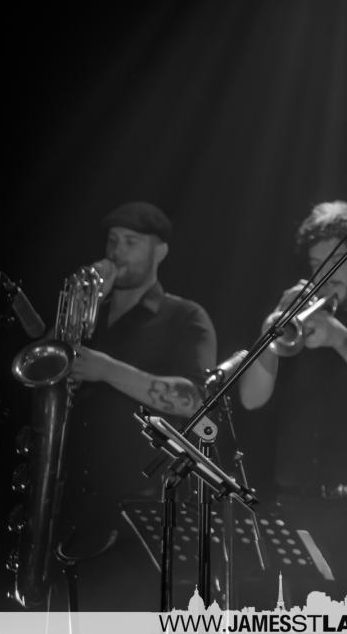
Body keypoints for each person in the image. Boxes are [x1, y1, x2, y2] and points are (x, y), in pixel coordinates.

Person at [57, 201, 218, 610]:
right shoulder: (88, 317)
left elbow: (194, 399)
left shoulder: (184, 316)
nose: (116, 252)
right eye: (112, 241)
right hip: (71, 506)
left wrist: (105, 369)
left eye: (131, 242)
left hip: (139, 516)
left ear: (160, 251)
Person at [239, 200, 347, 599]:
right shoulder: (301, 327)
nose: (324, 275)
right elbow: (251, 399)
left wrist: (340, 339)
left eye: (336, 261)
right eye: (317, 264)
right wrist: (270, 330)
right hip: (298, 509)